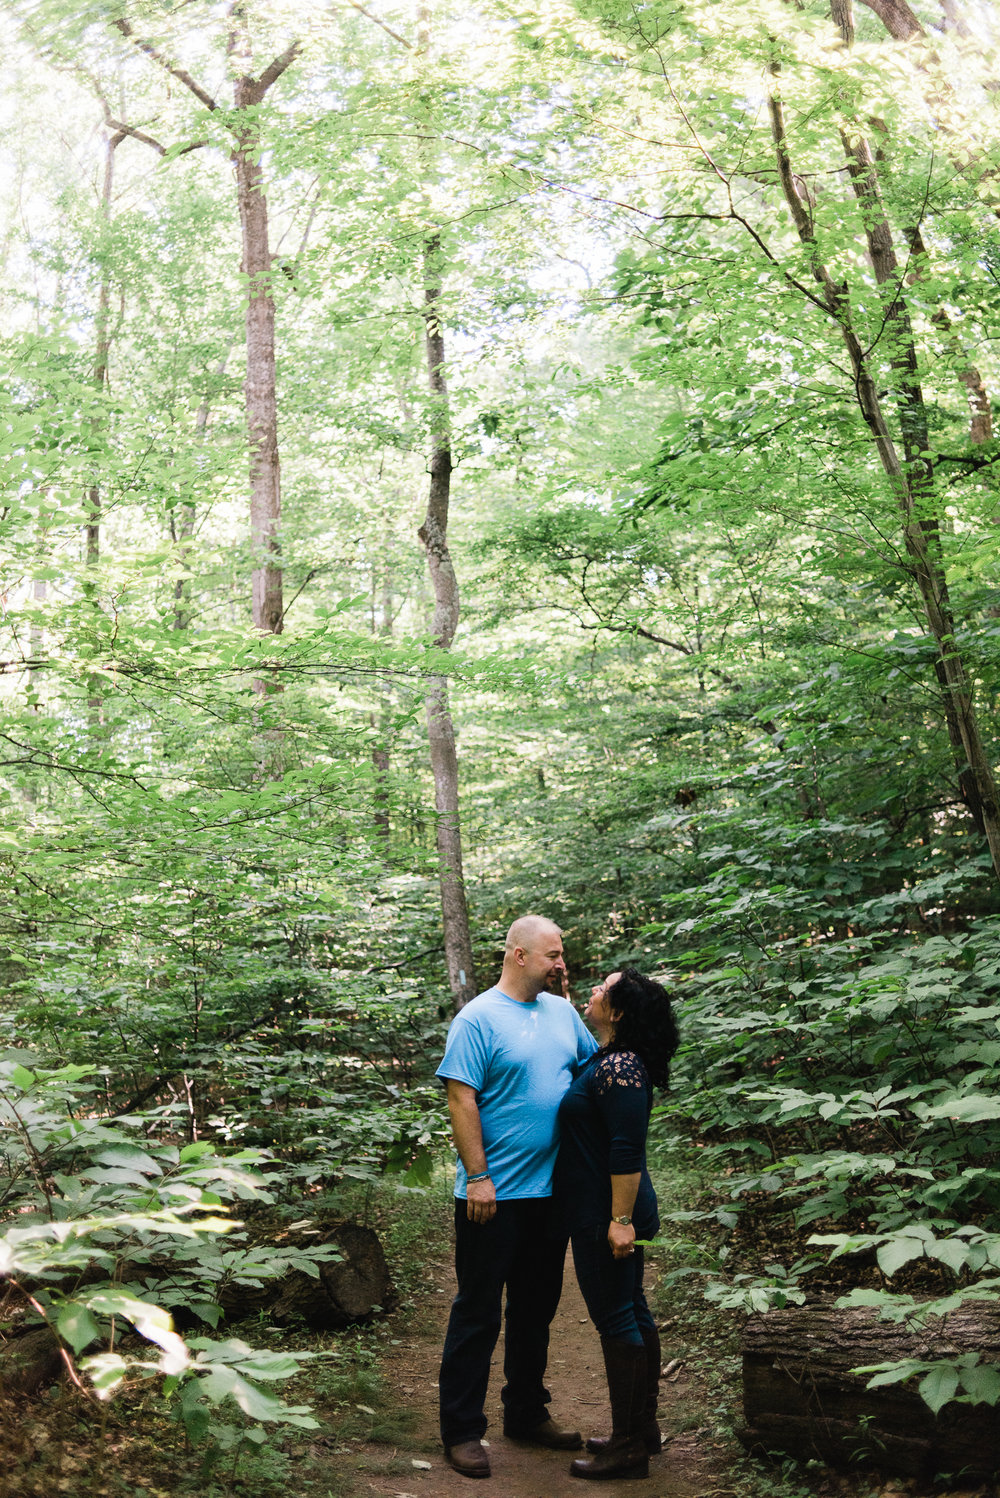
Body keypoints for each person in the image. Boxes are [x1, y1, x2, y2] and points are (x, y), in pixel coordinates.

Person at [435, 915, 599, 1479]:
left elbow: (590, 1071)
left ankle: (526, 1414)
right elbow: (461, 1100)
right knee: (478, 1312)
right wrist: (478, 1176)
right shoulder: (478, 1018)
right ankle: (461, 1429)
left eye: (561, 954)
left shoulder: (561, 1013)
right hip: (492, 1196)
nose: (561, 963)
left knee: (536, 1310)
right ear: (519, 955)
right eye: (553, 954)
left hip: (549, 1193)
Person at [554, 967, 679, 1481]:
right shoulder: (614, 1058)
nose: (592, 991)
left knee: (615, 1318)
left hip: (609, 1210)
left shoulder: (623, 1068)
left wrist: (619, 1221)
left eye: (601, 990)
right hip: (608, 1207)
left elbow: (627, 1150)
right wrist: (565, 999)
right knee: (632, 1307)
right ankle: (642, 1429)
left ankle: (628, 1446)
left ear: (620, 1011)